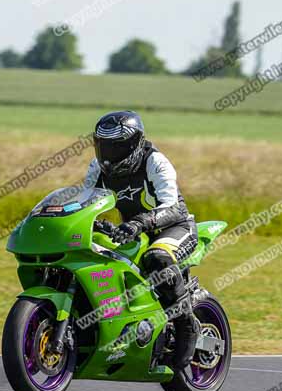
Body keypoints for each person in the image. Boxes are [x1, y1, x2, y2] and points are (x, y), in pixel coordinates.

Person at [83, 110, 200, 370]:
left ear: (134, 143)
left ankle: (186, 325)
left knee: (156, 258)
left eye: (117, 148)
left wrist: (138, 223)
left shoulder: (155, 161)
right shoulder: (97, 167)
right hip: (134, 231)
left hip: (175, 228)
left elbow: (172, 207)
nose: (109, 156)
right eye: (104, 147)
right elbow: (84, 201)